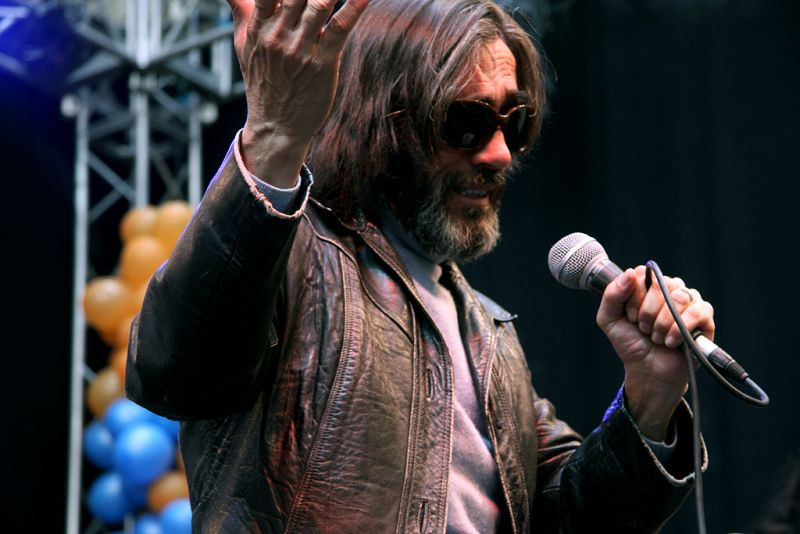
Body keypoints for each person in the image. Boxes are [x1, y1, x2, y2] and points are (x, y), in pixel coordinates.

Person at [126, 0, 715, 531]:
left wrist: (650, 396)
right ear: (382, 119)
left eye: (514, 121)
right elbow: (174, 371)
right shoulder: (288, 256)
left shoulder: (489, 335)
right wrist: (274, 137)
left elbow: (570, 519)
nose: (499, 154)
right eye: (466, 122)